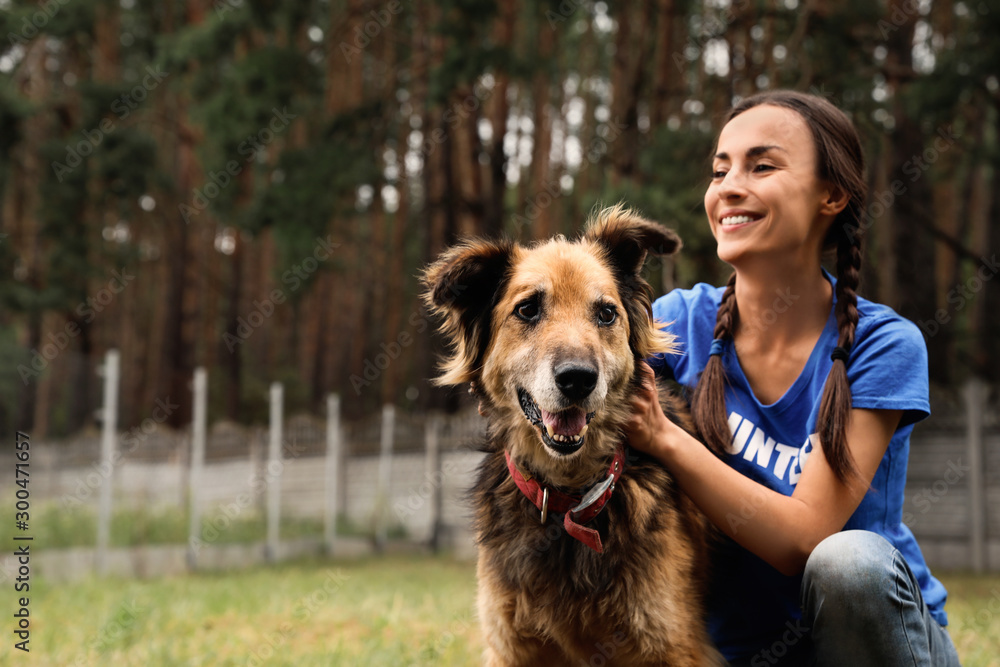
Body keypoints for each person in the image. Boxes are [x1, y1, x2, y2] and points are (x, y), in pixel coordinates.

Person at [624, 90, 961, 666]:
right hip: (723, 653)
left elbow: (803, 539)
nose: (728, 186)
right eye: (719, 169)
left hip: (870, 649)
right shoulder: (676, 323)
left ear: (832, 195)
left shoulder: (883, 344)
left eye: (762, 165)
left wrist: (665, 438)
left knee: (847, 562)